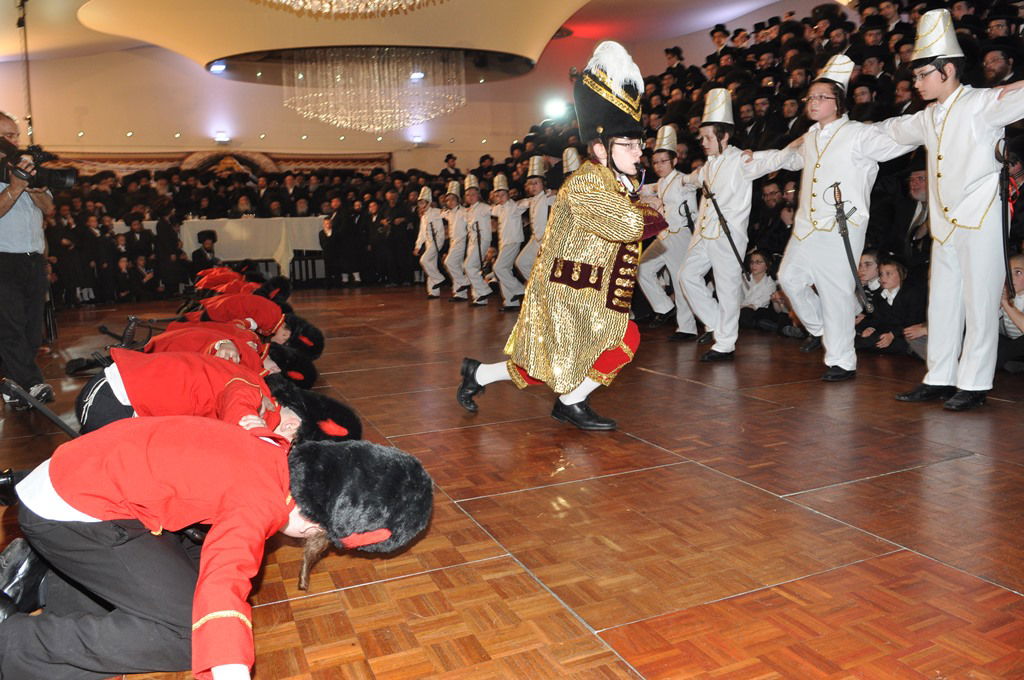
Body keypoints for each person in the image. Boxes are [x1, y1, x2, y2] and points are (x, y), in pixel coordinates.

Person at [0, 417, 432, 680]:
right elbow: (223, 582)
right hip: (71, 512)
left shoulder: (275, 452)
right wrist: (229, 667)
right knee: (191, 637)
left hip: (75, 482)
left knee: (188, 573)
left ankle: (48, 581)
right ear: (319, 522)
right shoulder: (259, 502)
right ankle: (13, 644)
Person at [456, 40, 666, 431]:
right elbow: (628, 226)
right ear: (600, 148)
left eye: (639, 144)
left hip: (590, 291)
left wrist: (645, 208)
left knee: (547, 363)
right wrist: (653, 212)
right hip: (571, 293)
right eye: (629, 145)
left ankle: (478, 374)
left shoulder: (612, 183)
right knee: (623, 340)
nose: (639, 152)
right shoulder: (587, 183)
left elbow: (628, 236)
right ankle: (571, 403)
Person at [877, 8, 1024, 410]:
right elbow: (889, 132)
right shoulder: (928, 116)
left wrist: (1015, 86)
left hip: (981, 219)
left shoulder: (983, 103)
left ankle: (974, 384)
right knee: (941, 305)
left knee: (980, 305)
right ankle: (939, 377)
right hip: (944, 226)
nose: (916, 83)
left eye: (922, 74)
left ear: (948, 70)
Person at [744, 55, 914, 381]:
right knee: (789, 278)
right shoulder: (810, 137)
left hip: (841, 226)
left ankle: (842, 361)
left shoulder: (857, 134)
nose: (813, 102)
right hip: (807, 226)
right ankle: (822, 328)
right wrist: (754, 158)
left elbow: (895, 139)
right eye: (810, 97)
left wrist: (931, 125)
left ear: (838, 102)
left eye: (821, 97)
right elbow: (788, 159)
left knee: (836, 292)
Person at [679, 88, 761, 361]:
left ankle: (725, 344)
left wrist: (802, 146)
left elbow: (775, 159)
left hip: (727, 235)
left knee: (727, 289)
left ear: (724, 136)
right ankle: (717, 324)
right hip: (704, 234)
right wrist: (660, 187)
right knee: (686, 276)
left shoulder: (741, 160)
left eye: (708, 137)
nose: (702, 142)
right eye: (701, 137)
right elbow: (690, 179)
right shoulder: (708, 166)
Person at [0, 111, 56, 409]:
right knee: (10, 326)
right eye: (7, 136)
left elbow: (49, 209)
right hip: (3, 259)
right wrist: (14, 187)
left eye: (16, 135)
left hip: (33, 258)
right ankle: (32, 383)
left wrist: (34, 186)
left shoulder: (27, 166)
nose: (14, 141)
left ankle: (12, 388)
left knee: (32, 328)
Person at [636, 124, 699, 341]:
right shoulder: (662, 182)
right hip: (664, 236)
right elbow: (645, 189)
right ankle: (665, 307)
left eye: (663, 161)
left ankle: (687, 328)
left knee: (678, 278)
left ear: (674, 160)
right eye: (655, 162)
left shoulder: (681, 180)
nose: (659, 165)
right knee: (642, 267)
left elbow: (695, 180)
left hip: (680, 235)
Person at [513, 156, 555, 282]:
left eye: (536, 183)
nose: (533, 187)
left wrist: (556, 192)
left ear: (543, 184)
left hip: (546, 240)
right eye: (530, 184)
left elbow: (561, 198)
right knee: (521, 262)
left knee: (548, 270)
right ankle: (536, 287)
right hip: (535, 239)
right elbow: (516, 207)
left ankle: (543, 289)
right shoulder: (531, 200)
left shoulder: (547, 196)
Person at [489, 174, 527, 310]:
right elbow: (487, 210)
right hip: (504, 243)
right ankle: (510, 302)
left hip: (513, 241)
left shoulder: (514, 206)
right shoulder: (498, 208)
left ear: (508, 194)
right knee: (505, 270)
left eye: (502, 195)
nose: (500, 198)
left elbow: (528, 202)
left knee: (498, 268)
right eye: (497, 196)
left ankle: (520, 289)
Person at [462, 174, 494, 305]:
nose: (470, 197)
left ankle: (485, 290)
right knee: (473, 268)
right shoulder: (467, 210)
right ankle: (479, 298)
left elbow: (497, 210)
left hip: (482, 240)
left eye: (473, 194)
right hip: (472, 241)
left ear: (478, 195)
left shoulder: (483, 207)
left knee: (468, 266)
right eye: (468, 195)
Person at [413, 186, 446, 298]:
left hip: (437, 240)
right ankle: (433, 291)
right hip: (428, 242)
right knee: (430, 265)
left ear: (428, 203)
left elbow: (448, 214)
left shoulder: (436, 212)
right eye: (419, 203)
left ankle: (439, 278)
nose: (421, 205)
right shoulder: (423, 217)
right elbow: (422, 232)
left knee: (424, 260)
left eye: (423, 202)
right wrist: (418, 246)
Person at [440, 181, 471, 302]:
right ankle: (460, 293)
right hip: (453, 242)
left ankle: (465, 281)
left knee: (449, 262)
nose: (450, 202)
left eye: (453, 199)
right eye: (448, 200)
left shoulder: (464, 211)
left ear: (458, 199)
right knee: (457, 266)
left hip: (462, 241)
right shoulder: (449, 213)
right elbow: (439, 214)